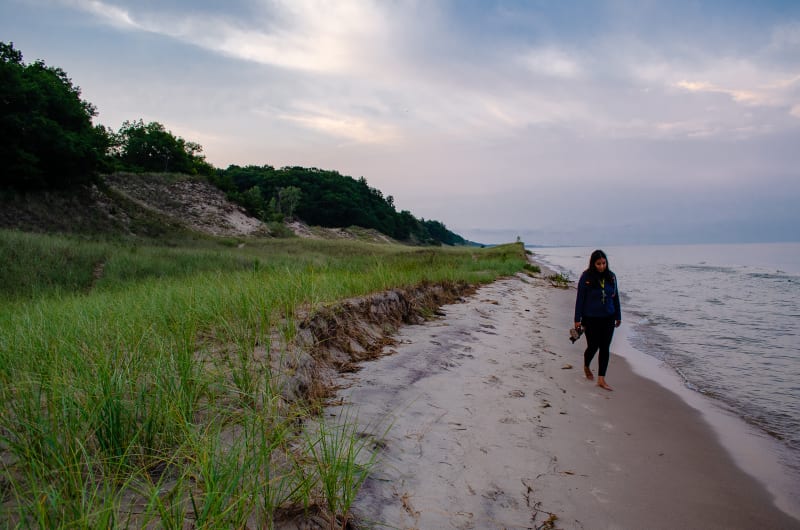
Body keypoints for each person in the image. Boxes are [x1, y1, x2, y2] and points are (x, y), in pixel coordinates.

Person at [574, 249, 621, 391]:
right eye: (598, 264)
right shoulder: (586, 277)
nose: (601, 266)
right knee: (593, 346)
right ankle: (586, 364)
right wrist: (577, 319)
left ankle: (601, 379)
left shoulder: (611, 277)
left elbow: (616, 297)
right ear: (593, 264)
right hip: (590, 318)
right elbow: (580, 299)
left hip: (608, 317)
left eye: (604, 263)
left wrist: (618, 315)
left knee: (605, 347)